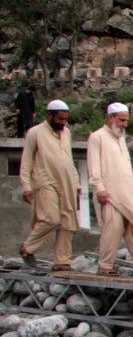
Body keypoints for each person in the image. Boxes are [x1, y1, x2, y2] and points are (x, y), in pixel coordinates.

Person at [87, 102, 133, 277]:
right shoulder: (97, 137)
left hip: (126, 192)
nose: (125, 124)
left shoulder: (121, 139)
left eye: (126, 121)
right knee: (113, 228)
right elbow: (93, 166)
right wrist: (99, 188)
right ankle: (105, 266)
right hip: (108, 193)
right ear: (111, 118)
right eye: (122, 120)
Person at [18, 99, 78, 271]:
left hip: (67, 182)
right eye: (59, 119)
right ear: (49, 115)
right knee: (51, 218)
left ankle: (62, 261)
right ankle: (27, 248)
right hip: (45, 181)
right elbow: (26, 160)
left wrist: (75, 179)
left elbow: (68, 158)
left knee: (67, 221)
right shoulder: (35, 133)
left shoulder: (66, 132)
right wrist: (26, 186)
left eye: (65, 119)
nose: (62, 122)